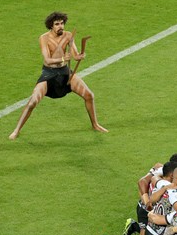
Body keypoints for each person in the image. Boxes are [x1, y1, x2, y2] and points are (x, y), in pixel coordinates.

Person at [9, 12, 107, 140]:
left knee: (89, 95)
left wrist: (80, 56)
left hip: (65, 72)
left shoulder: (68, 35)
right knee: (32, 102)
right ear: (51, 26)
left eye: (62, 23)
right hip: (49, 73)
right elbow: (47, 60)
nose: (60, 26)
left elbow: (75, 55)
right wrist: (63, 59)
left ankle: (95, 125)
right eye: (57, 24)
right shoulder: (44, 38)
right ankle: (16, 130)